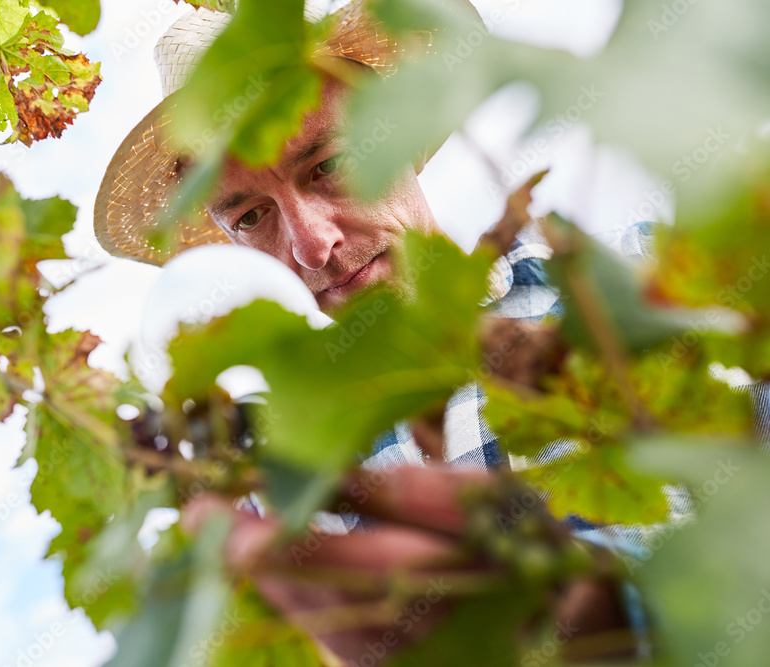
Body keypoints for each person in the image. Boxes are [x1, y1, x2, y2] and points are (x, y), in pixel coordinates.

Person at [94, 2, 651, 662]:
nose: (311, 244)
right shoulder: (298, 500)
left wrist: (612, 620)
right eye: (250, 217)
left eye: (327, 165)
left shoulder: (645, 288)